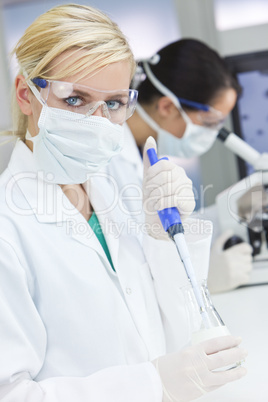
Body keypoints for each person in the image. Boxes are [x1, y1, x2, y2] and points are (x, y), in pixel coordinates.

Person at [0, 5, 247, 401]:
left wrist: (165, 239)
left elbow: (170, 330)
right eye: (76, 98)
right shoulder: (8, 229)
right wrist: (152, 384)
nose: (98, 121)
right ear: (27, 95)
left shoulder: (114, 198)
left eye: (114, 103)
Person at [105, 38, 253, 294]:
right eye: (209, 122)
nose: (212, 133)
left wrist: (237, 206)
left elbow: (167, 228)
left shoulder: (145, 153)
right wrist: (195, 283)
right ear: (167, 106)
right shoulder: (109, 162)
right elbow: (127, 271)